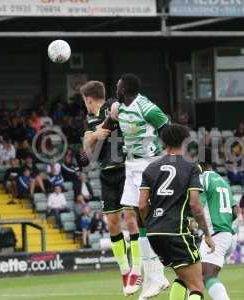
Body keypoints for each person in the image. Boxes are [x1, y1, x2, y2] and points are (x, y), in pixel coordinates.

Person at [139, 124, 215, 300]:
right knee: (196, 286)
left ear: (163, 143)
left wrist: (151, 223)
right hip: (176, 231)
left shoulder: (150, 168)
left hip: (154, 233)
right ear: (185, 142)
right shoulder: (191, 167)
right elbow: (196, 205)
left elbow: (142, 205)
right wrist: (207, 234)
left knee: (182, 277)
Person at [80, 80, 142, 297]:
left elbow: (115, 115)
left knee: (131, 219)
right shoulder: (89, 119)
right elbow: (87, 149)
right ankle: (124, 270)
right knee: (113, 223)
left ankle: (137, 269)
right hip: (106, 173)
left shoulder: (112, 104)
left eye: (84, 101)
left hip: (125, 168)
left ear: (88, 99)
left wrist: (97, 133)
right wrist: (95, 135)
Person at [112, 74, 170, 299]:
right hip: (131, 164)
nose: (115, 87)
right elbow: (108, 123)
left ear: (124, 89)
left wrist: (167, 157)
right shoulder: (119, 108)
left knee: (145, 217)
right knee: (131, 216)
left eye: (118, 85)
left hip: (148, 165)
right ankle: (155, 276)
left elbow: (167, 128)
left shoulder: (147, 108)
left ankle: (156, 275)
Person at [199, 161, 237, 300]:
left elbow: (197, 207)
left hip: (215, 234)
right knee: (197, 274)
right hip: (226, 234)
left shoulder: (203, 179)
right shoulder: (223, 181)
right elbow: (235, 213)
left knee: (206, 275)